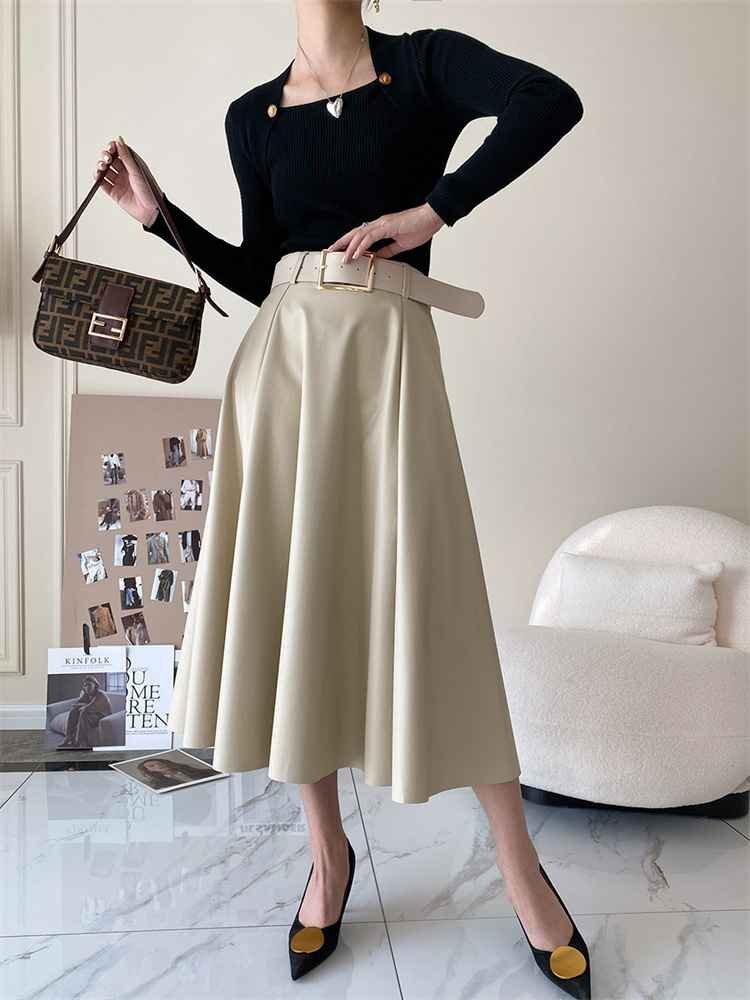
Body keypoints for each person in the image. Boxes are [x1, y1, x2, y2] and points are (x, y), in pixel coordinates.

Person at [94, 1, 588, 993]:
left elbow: (550, 101)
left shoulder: (427, 65)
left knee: (438, 602)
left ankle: (519, 869)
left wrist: (434, 212)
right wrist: (158, 218)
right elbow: (259, 267)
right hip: (281, 369)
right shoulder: (252, 117)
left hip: (387, 360)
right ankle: (328, 859)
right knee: (296, 609)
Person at [59, 676, 112, 748]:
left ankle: (81, 741)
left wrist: (82, 706)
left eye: (89, 685)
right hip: (91, 713)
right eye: (85, 685)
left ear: (95, 685)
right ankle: (68, 737)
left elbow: (88, 707)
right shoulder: (87, 694)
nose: (87, 687)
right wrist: (81, 700)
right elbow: (76, 705)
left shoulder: (101, 695)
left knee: (83, 713)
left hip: (102, 716)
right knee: (73, 711)